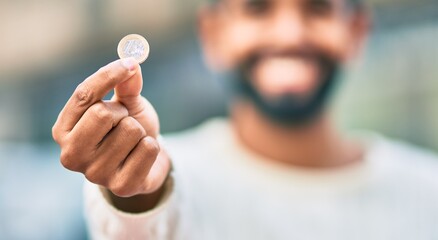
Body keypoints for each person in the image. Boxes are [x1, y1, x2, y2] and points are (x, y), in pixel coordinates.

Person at [52, 0, 438, 239]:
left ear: (356, 32)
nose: (289, 34)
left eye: (318, 7)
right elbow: (143, 226)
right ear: (214, 34)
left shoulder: (428, 191)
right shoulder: (174, 175)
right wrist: (141, 193)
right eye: (258, 8)